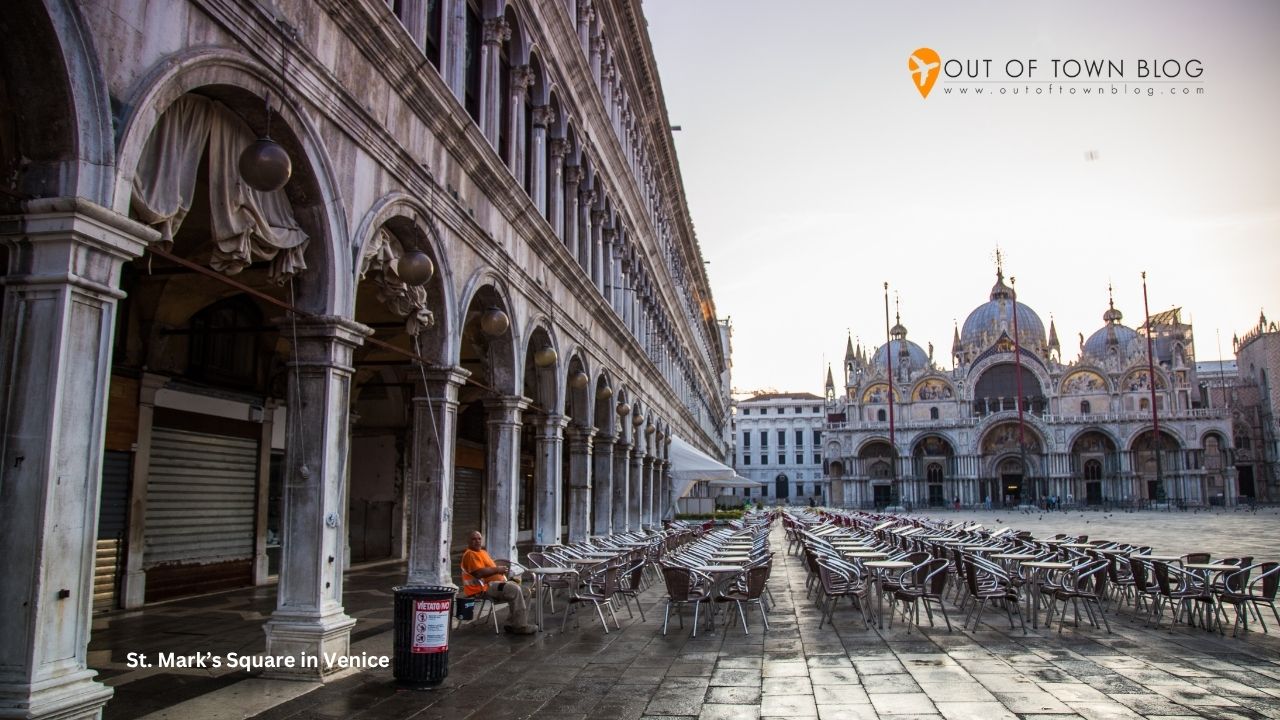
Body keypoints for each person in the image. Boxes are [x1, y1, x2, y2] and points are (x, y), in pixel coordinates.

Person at [460, 531, 536, 635]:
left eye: (479, 539)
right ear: (468, 541)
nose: (477, 541)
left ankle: (512, 623)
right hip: (482, 588)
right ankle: (520, 627)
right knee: (514, 589)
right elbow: (478, 573)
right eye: (473, 539)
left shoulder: (483, 552)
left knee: (526, 591)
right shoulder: (470, 554)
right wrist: (497, 570)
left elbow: (491, 568)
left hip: (495, 585)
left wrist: (502, 574)